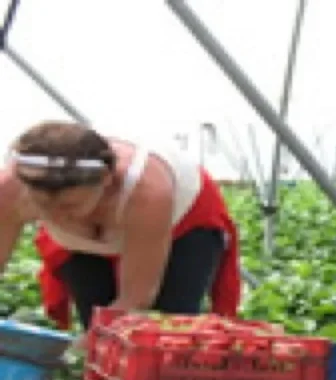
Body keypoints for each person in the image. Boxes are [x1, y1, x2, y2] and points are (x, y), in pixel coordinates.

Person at [0, 121, 242, 330]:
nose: (56, 216)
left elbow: (136, 298)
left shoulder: (148, 193)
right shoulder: (9, 190)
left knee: (169, 321)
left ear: (105, 182)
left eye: (69, 206)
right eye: (42, 206)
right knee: (95, 312)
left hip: (183, 225)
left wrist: (83, 347)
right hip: (84, 242)